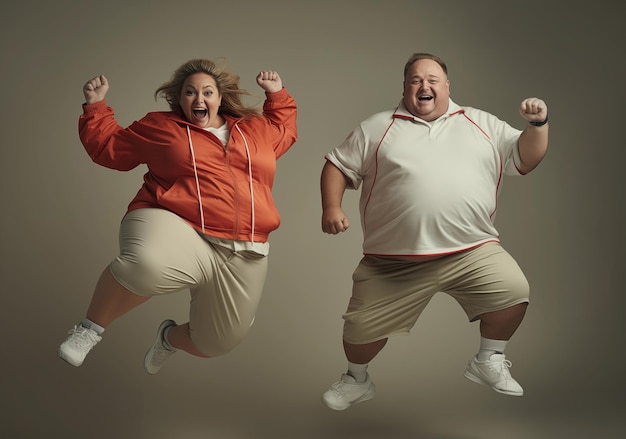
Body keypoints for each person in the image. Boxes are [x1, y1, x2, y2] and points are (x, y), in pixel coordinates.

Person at [320, 52, 549, 410]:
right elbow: (337, 165)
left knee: (513, 292)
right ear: (405, 87)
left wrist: (538, 125)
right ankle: (356, 379)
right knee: (359, 334)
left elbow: (526, 157)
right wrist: (332, 207)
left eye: (432, 79)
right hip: (392, 261)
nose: (423, 86)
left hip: (471, 250)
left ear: (446, 86)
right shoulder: (378, 127)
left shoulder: (480, 123)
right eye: (415, 80)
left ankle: (488, 359)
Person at [58, 58, 297, 374]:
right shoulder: (162, 128)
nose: (199, 99)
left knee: (216, 343)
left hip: (245, 246)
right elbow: (110, 147)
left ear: (220, 98)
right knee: (146, 265)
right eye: (190, 92)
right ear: (179, 98)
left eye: (207, 92)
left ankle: (168, 338)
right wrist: (96, 107)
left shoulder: (254, 130)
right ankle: (89, 329)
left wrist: (277, 94)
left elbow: (284, 129)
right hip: (173, 221)